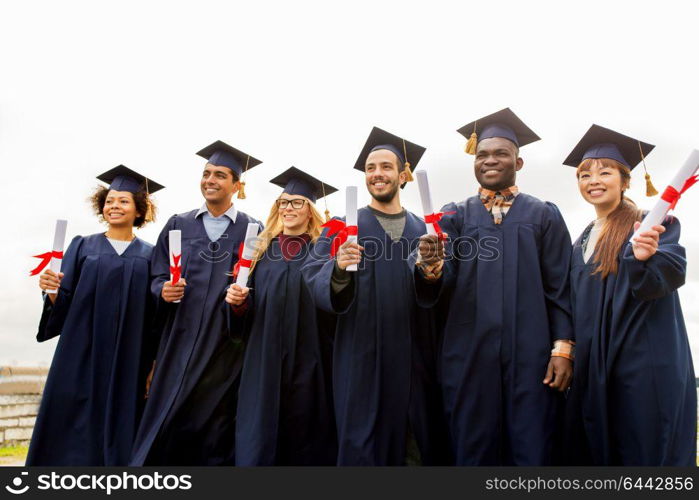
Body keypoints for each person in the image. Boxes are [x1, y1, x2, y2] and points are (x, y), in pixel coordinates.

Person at [415, 108, 574, 465]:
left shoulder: (543, 215)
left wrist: (562, 349)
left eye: (500, 153)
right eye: (482, 154)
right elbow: (443, 281)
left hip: (531, 356)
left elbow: (559, 286)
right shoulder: (454, 215)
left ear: (519, 161)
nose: (489, 160)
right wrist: (430, 265)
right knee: (473, 449)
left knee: (532, 448)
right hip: (469, 355)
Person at [302, 127, 451, 465]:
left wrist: (432, 270)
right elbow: (312, 275)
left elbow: (442, 287)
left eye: (385, 167)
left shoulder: (426, 230)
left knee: (415, 449)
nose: (377, 174)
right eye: (370, 168)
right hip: (361, 358)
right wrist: (338, 268)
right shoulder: (341, 226)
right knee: (362, 449)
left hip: (415, 362)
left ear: (403, 174)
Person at [562, 124, 696, 465]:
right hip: (596, 370)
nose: (594, 180)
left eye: (605, 172)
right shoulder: (581, 240)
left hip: (640, 368)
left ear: (625, 181)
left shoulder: (650, 224)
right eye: (584, 175)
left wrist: (644, 257)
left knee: (641, 455)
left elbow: (667, 275)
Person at [130, 141, 262, 465]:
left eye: (219, 175)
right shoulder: (179, 223)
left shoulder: (254, 230)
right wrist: (163, 289)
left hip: (223, 349)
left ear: (236, 185)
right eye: (206, 174)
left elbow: (259, 288)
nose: (210, 180)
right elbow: (156, 275)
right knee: (165, 424)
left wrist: (241, 302)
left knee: (213, 431)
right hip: (177, 342)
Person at [28, 166, 163, 465]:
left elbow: (157, 315)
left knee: (125, 423)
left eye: (123, 201)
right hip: (82, 351)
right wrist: (51, 290)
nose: (114, 206)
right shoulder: (82, 245)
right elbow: (62, 299)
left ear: (139, 209)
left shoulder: (152, 255)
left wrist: (154, 363)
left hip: (131, 355)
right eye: (110, 200)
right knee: (73, 420)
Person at [226, 167, 338, 465]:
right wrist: (237, 303)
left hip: (310, 360)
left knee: (306, 438)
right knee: (259, 438)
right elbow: (243, 308)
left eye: (296, 202)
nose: (288, 208)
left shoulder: (323, 252)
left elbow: (335, 305)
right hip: (263, 359)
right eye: (283, 203)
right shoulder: (258, 251)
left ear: (311, 210)